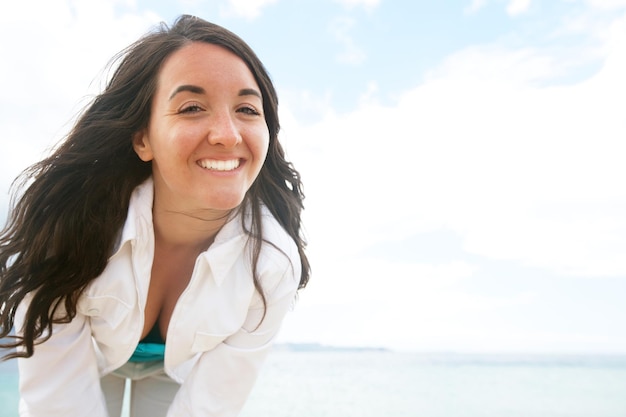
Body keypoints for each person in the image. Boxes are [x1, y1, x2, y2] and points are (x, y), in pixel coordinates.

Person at [0, 14, 310, 417]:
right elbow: (58, 401)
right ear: (143, 138)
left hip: (174, 369)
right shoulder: (70, 225)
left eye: (248, 110)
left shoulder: (271, 264)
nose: (227, 134)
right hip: (88, 351)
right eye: (193, 107)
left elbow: (212, 403)